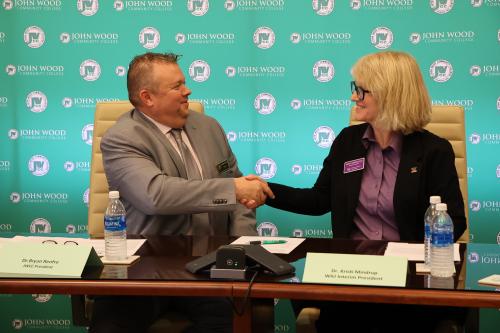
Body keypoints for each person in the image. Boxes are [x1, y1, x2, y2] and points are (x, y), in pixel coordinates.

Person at [250, 51, 468, 332]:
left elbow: (454, 221)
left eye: (361, 91)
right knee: (304, 289)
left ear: (390, 94)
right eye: (355, 89)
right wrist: (266, 190)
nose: (354, 98)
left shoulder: (433, 151)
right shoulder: (347, 142)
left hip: (408, 279)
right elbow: (319, 199)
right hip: (352, 274)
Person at [90, 52, 274, 333]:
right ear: (147, 97)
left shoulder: (209, 127)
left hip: (210, 268)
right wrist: (232, 189)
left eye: (184, 83)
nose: (187, 90)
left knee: (241, 319)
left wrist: (243, 245)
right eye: (176, 86)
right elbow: (156, 195)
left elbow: (237, 194)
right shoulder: (123, 137)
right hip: (145, 270)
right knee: (110, 326)